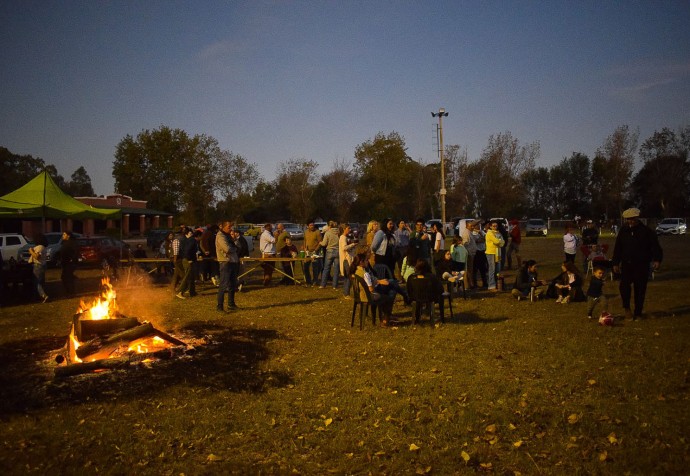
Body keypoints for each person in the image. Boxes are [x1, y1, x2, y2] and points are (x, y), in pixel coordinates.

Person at [611, 208, 663, 320]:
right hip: (627, 264)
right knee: (624, 286)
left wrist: (657, 260)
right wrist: (615, 262)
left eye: (633, 219)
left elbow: (655, 246)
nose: (631, 221)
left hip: (642, 264)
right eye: (628, 219)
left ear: (637, 218)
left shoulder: (647, 231)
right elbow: (618, 248)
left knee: (640, 289)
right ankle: (627, 309)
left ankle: (638, 312)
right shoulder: (623, 231)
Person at [351, 249, 396, 327]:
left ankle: (383, 318)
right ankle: (385, 318)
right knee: (388, 297)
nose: (367, 262)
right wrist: (376, 289)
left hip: (359, 295)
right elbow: (371, 289)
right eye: (366, 261)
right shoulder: (365, 274)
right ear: (361, 262)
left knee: (387, 291)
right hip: (367, 296)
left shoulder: (356, 272)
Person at [216, 221, 239, 311]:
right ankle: (220, 306)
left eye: (231, 227)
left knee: (233, 284)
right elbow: (227, 249)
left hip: (232, 261)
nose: (231, 229)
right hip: (225, 262)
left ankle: (231, 304)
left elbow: (237, 246)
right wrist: (234, 248)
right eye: (229, 227)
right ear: (223, 227)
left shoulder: (227, 236)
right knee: (223, 285)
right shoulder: (220, 236)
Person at [28, 233, 49, 303]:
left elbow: (37, 257)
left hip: (38, 266)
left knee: (37, 282)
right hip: (42, 265)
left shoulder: (40, 247)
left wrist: (31, 251)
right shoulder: (43, 247)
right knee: (41, 282)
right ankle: (39, 296)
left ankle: (44, 295)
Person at [485, 220, 505, 292]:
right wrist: (499, 241)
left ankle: (498, 285)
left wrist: (499, 242)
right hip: (491, 253)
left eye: (496, 226)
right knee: (492, 269)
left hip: (498, 252)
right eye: (493, 226)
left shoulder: (498, 233)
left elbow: (503, 243)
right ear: (490, 226)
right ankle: (491, 286)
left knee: (498, 270)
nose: (495, 227)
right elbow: (496, 241)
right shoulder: (489, 233)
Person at [319, 220, 340, 289]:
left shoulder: (327, 233)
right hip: (337, 251)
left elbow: (324, 243)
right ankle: (334, 285)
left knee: (326, 268)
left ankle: (323, 284)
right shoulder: (339, 232)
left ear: (329, 226)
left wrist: (320, 243)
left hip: (329, 251)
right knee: (336, 269)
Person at [338, 223, 356, 297]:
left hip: (348, 259)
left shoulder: (346, 237)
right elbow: (344, 248)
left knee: (347, 277)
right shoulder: (343, 237)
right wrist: (352, 245)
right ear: (344, 229)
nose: (350, 230)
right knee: (349, 277)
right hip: (345, 260)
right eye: (348, 228)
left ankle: (346, 293)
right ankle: (346, 294)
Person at [303, 220, 323, 285]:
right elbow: (305, 240)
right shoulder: (306, 232)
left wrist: (316, 250)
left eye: (313, 225)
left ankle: (315, 281)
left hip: (315, 252)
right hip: (307, 252)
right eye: (310, 225)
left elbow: (320, 242)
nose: (312, 226)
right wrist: (305, 248)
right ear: (308, 226)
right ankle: (308, 280)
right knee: (305, 266)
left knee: (315, 267)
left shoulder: (317, 232)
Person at [60, 230, 79, 296]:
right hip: (64, 262)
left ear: (68, 236)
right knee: (65, 277)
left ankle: (71, 292)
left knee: (67, 277)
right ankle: (69, 291)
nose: (63, 236)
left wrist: (72, 259)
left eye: (64, 234)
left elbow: (76, 252)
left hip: (69, 263)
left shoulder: (72, 243)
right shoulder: (64, 242)